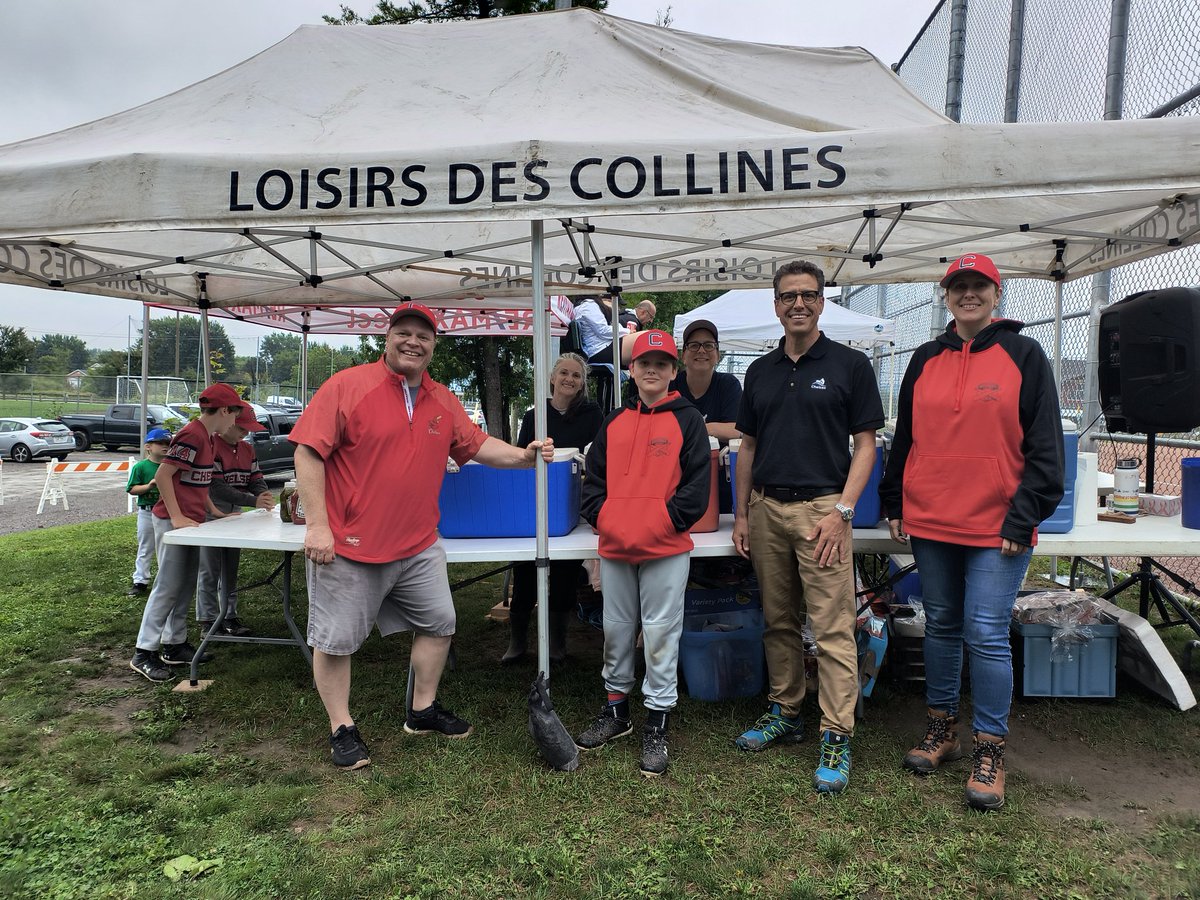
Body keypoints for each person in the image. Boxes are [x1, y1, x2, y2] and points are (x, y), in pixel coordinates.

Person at [288, 301, 555, 771]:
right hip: (350, 545)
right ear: (386, 337)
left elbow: (475, 445)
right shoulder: (348, 386)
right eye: (404, 332)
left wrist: (525, 455)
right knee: (335, 641)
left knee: (440, 623)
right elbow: (308, 452)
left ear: (434, 345)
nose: (413, 341)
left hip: (418, 543)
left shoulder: (442, 398)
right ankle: (342, 727)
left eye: (424, 336)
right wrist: (317, 525)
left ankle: (422, 710)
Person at [879, 252, 1064, 812]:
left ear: (996, 293)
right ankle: (942, 729)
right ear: (946, 295)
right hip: (932, 518)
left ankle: (990, 749)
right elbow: (904, 436)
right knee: (941, 626)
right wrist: (894, 499)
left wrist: (1023, 514)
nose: (968, 294)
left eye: (978, 286)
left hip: (996, 525)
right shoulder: (925, 357)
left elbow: (1046, 448)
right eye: (958, 286)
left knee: (984, 632)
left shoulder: (1024, 355)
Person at [731, 260, 884, 795]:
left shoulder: (850, 365)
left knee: (834, 629)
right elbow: (746, 446)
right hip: (768, 510)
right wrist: (744, 511)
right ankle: (786, 710)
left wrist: (843, 512)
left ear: (822, 302)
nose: (798, 303)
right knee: (778, 620)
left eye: (808, 295)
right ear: (776, 305)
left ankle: (836, 733)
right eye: (788, 296)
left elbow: (866, 445)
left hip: (824, 512)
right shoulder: (760, 371)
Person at [574, 330, 710, 777]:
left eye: (661, 363)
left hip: (666, 547)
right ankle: (616, 712)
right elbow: (592, 484)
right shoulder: (612, 421)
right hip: (616, 546)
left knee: (660, 633)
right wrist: (608, 520)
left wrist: (661, 523)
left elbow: (695, 492)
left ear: (674, 372)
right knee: (615, 630)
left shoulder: (688, 420)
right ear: (631, 370)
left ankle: (657, 720)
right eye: (643, 362)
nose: (651, 369)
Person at [129, 384, 247, 683]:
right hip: (171, 522)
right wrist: (177, 515)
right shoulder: (192, 434)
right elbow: (163, 475)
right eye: (235, 414)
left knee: (184, 585)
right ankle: (144, 651)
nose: (236, 422)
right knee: (168, 585)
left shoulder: (208, 438)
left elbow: (199, 481)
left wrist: (215, 512)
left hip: (191, 522)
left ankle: (174, 643)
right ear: (224, 411)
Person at [503, 351, 604, 664]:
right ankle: (517, 644)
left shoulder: (593, 414)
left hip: (572, 505)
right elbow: (522, 458)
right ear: (552, 378)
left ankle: (557, 647)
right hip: (536, 504)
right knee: (525, 573)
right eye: (564, 373)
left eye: (576, 375)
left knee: (563, 575)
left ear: (582, 383)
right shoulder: (536, 415)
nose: (570, 379)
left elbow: (598, 459)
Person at [195, 405, 274, 638]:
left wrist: (264, 495)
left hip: (236, 515)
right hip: (210, 515)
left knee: (230, 569)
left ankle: (229, 615)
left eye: (248, 429)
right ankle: (208, 619)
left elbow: (256, 477)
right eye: (241, 428)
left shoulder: (247, 449)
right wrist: (253, 500)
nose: (244, 433)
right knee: (209, 569)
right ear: (228, 423)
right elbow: (217, 487)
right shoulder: (212, 446)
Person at [670, 318, 742, 514]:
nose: (701, 350)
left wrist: (697, 429)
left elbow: (739, 429)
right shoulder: (670, 385)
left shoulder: (728, 384)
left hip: (720, 483)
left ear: (717, 355)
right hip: (675, 483)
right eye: (694, 345)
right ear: (683, 355)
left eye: (709, 345)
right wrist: (715, 430)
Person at [125, 427, 172, 597]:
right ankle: (140, 581)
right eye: (160, 443)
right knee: (146, 546)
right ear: (148, 447)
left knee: (166, 546)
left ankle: (165, 579)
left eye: (168, 443)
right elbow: (132, 489)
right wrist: (150, 486)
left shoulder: (171, 466)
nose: (165, 446)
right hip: (147, 511)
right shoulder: (142, 467)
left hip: (167, 512)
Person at [576, 294, 642, 368]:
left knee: (644, 341)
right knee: (644, 338)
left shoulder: (587, 305)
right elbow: (603, 331)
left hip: (599, 347)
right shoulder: (589, 306)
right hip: (598, 349)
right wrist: (627, 331)